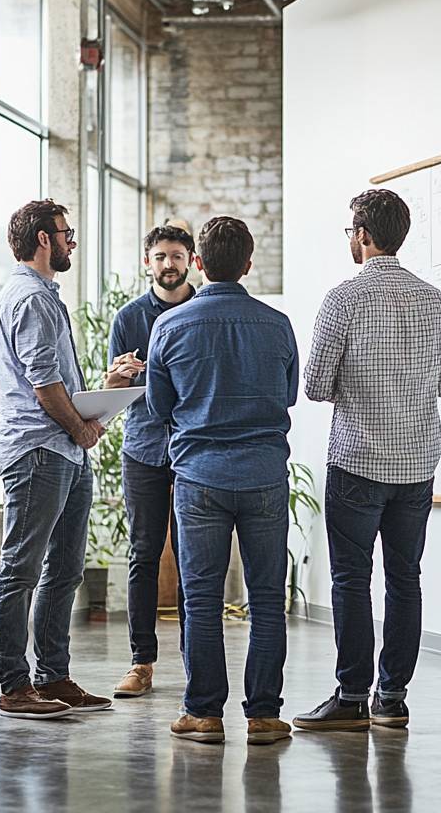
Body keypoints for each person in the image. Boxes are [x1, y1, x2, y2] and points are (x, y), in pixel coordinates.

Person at [293, 189, 441, 733]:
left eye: (350, 231)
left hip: (359, 459)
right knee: (405, 579)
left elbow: (315, 385)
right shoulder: (436, 300)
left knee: (350, 579)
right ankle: (393, 700)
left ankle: (352, 696)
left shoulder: (344, 298)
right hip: (417, 463)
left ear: (363, 235)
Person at [146, 216, 299, 746]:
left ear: (201, 265)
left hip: (199, 478)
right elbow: (287, 395)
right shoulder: (277, 324)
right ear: (249, 264)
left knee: (202, 598)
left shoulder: (169, 326)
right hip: (263, 477)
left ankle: (204, 713)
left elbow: (159, 405)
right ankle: (263, 715)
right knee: (265, 598)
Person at [0, 199, 112, 720]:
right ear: (43, 239)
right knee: (21, 568)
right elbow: (44, 386)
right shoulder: (31, 298)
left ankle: (52, 676)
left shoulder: (39, 295)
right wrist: (82, 429)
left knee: (64, 569)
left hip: (61, 451)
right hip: (41, 451)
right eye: (65, 233)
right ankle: (15, 685)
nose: (72, 241)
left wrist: (106, 391)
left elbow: (56, 382)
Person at [107, 225, 196, 699]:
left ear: (192, 261)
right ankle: (141, 662)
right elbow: (111, 393)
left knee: (192, 557)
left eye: (177, 256)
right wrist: (116, 377)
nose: (168, 264)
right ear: (147, 262)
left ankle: (194, 660)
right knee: (143, 553)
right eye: (160, 256)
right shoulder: (128, 318)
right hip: (142, 448)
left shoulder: (205, 312)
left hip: (192, 450)